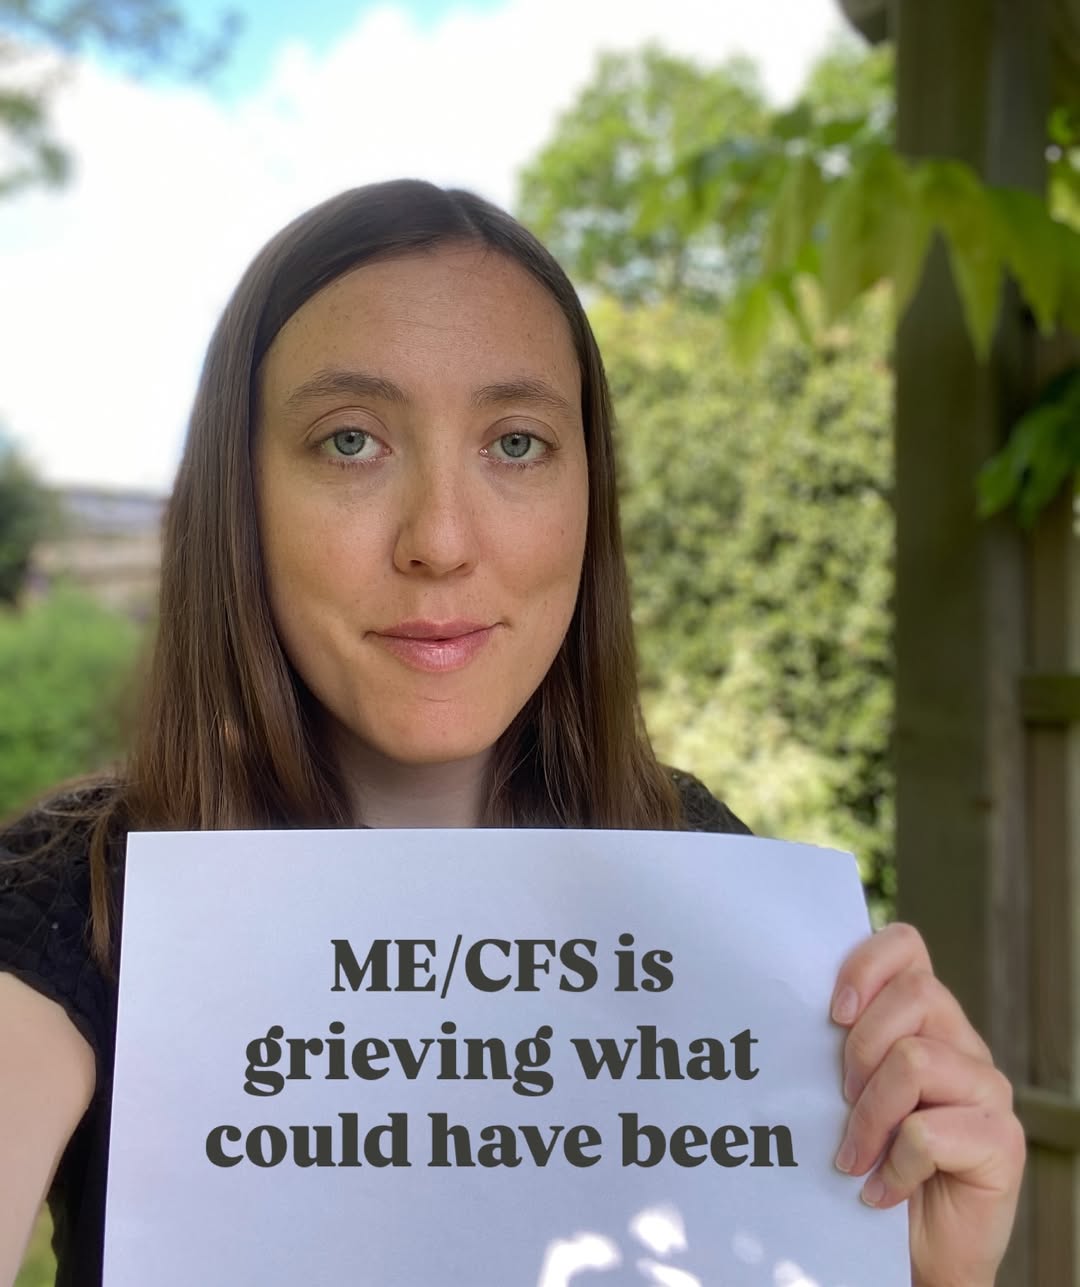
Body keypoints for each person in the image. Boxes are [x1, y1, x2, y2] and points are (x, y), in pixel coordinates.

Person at [0, 179, 1024, 1287]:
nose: (441, 539)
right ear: (237, 497)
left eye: (519, 443)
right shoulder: (76, 896)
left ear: (590, 495)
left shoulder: (701, 872)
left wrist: (925, 1269)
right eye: (351, 440)